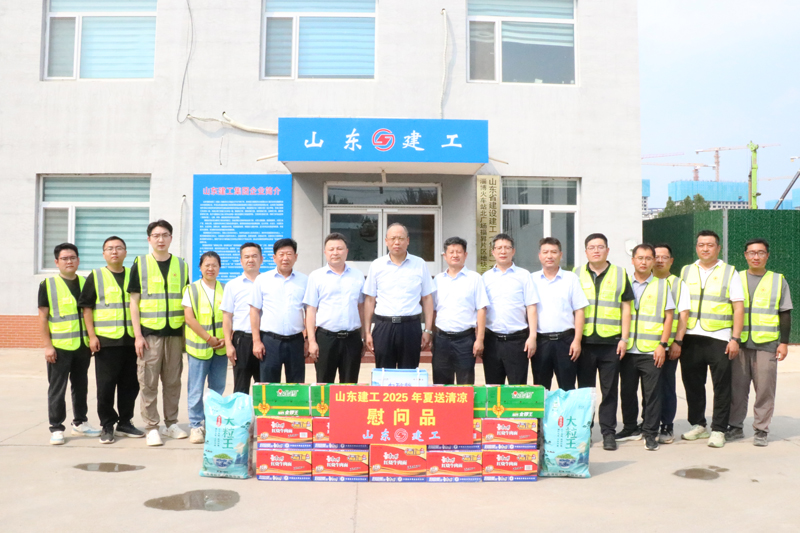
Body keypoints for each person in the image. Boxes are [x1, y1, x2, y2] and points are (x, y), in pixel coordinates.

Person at [679, 229, 744, 448]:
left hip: (719, 337)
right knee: (693, 385)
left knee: (721, 386)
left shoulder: (730, 272)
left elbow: (738, 307)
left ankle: (718, 429)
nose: (705, 248)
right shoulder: (686, 270)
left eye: (710, 245)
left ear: (718, 248)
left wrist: (735, 338)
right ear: (696, 247)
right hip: (690, 336)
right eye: (701, 245)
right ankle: (698, 425)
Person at [129, 220, 190, 446]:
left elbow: (186, 301)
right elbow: (134, 302)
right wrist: (138, 335)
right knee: (148, 382)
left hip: (174, 334)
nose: (161, 239)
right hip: (149, 335)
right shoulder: (140, 264)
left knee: (173, 382)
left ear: (171, 238)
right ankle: (152, 427)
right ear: (149, 239)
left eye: (165, 235)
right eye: (156, 235)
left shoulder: (181, 266)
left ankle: (171, 424)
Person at [728, 238, 792, 447]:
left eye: (761, 253)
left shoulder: (778, 280)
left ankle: (761, 429)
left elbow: (784, 312)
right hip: (739, 344)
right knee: (737, 389)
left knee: (764, 389)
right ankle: (735, 427)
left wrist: (784, 343)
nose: (756, 257)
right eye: (752, 253)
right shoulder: (735, 278)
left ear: (767, 255)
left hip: (766, 344)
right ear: (745, 255)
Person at [79, 236, 144, 444]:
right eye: (109, 248)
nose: (114, 252)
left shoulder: (134, 275)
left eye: (118, 248)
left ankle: (125, 422)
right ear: (104, 254)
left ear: (126, 252)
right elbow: (86, 308)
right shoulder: (96, 276)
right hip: (107, 341)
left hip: (131, 341)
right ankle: (107, 425)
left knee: (130, 385)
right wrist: (92, 336)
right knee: (106, 386)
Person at [574, 233, 633, 452]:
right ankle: (585, 431)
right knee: (585, 391)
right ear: (586, 251)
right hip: (585, 343)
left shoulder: (620, 273)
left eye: (600, 247)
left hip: (611, 343)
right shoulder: (576, 274)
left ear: (607, 250)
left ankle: (608, 432)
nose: (596, 250)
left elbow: (626, 308)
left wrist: (624, 338)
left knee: (609, 391)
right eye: (592, 247)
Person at [38, 243, 99, 445]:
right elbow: (42, 318)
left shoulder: (85, 282)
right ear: (57, 262)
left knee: (81, 386)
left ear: (78, 260)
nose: (69, 261)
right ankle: (56, 427)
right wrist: (47, 346)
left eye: (73, 257)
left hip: (82, 345)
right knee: (57, 388)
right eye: (64, 258)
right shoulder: (48, 285)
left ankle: (80, 422)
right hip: (59, 347)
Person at [615, 244, 674, 451]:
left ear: (653, 261)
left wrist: (662, 345)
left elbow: (669, 317)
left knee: (652, 395)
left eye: (648, 258)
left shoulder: (662, 285)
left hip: (651, 350)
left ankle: (650, 433)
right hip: (627, 349)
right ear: (632, 260)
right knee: (627, 392)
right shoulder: (623, 283)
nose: (644, 262)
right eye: (640, 258)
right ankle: (630, 427)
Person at [363, 223, 435, 369]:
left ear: (408, 241)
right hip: (383, 326)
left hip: (411, 327)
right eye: (393, 238)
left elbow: (427, 299)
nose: (397, 242)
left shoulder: (419, 264)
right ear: (386, 241)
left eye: (401, 238)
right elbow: (370, 300)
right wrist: (367, 332)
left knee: (409, 373)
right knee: (384, 373)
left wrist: (427, 330)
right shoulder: (377, 265)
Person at [304, 233, 366, 384]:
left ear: (346, 251)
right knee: (324, 384)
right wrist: (311, 341)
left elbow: (361, 308)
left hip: (352, 338)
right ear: (325, 252)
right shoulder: (316, 276)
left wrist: (363, 337)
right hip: (326, 338)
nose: (335, 252)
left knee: (350, 385)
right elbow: (311, 310)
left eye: (339, 248)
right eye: (331, 249)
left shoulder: (358, 276)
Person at [530, 237, 588, 392]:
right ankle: (543, 411)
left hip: (566, 341)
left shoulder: (571, 278)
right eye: (545, 252)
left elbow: (579, 310)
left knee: (567, 387)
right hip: (541, 342)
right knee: (540, 389)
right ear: (539, 255)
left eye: (554, 252)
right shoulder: (531, 279)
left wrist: (577, 340)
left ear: (560, 255)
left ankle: (567, 410)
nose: (549, 256)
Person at [481, 233, 538, 385]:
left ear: (513, 251)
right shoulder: (485, 277)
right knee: (493, 388)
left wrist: (532, 336)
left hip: (517, 341)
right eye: (499, 248)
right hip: (492, 341)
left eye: (507, 248)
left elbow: (531, 307)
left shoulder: (524, 275)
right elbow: (481, 309)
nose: (503, 251)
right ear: (493, 252)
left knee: (517, 389)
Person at [431, 237, 489, 385]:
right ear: (445, 256)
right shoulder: (438, 280)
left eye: (459, 252)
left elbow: (481, 309)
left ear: (465, 255)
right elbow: (433, 310)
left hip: (465, 340)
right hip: (441, 339)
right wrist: (430, 334)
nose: (455, 255)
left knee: (466, 383)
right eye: (451, 252)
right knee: (441, 383)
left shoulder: (475, 278)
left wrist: (480, 339)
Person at [183, 251, 227, 444]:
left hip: (221, 348)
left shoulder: (225, 289)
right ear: (200, 268)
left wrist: (226, 338)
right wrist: (208, 338)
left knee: (217, 388)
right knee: (196, 389)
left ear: (219, 268)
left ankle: (212, 423)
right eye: (207, 265)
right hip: (199, 348)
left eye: (214, 265)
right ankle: (195, 425)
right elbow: (189, 318)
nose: (210, 268)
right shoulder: (191, 289)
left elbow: (230, 316)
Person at [250, 238, 308, 383]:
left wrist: (308, 339)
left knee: (296, 385)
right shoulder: (262, 280)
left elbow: (310, 311)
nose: (285, 258)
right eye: (281, 254)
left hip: (296, 341)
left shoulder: (305, 280)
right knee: (269, 385)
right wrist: (256, 341)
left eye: (289, 254)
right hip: (270, 341)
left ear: (296, 257)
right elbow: (254, 311)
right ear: (274, 257)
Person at [653, 243, 691, 444]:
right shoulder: (644, 282)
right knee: (649, 388)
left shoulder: (678, 284)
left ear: (671, 261)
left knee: (667, 386)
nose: (659, 261)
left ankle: (667, 425)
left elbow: (683, 315)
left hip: (667, 346)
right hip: (644, 345)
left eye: (664, 257)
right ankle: (649, 424)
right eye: (656, 257)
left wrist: (678, 341)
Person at [221, 242, 264, 394]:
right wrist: (228, 345)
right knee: (241, 386)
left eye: (254, 256)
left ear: (261, 259)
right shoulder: (233, 285)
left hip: (265, 339)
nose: (250, 260)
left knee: (264, 385)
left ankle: (263, 411)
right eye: (246, 257)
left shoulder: (269, 282)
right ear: (241, 260)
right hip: (242, 341)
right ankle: (240, 411)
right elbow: (227, 317)